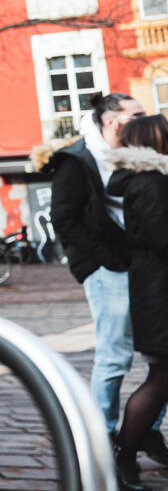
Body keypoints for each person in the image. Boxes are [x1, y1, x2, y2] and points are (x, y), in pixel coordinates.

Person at [48, 92, 168, 461]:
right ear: (112, 121)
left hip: (142, 265)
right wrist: (104, 259)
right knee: (114, 355)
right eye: (137, 114)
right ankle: (101, 441)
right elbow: (63, 218)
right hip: (107, 267)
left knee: (161, 357)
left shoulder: (139, 160)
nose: (146, 119)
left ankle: (145, 431)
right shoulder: (78, 158)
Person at [105, 114, 168, 491]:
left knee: (162, 379)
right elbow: (163, 240)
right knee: (161, 379)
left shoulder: (148, 180)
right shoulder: (149, 183)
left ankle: (133, 443)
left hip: (156, 290)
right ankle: (124, 452)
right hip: (160, 294)